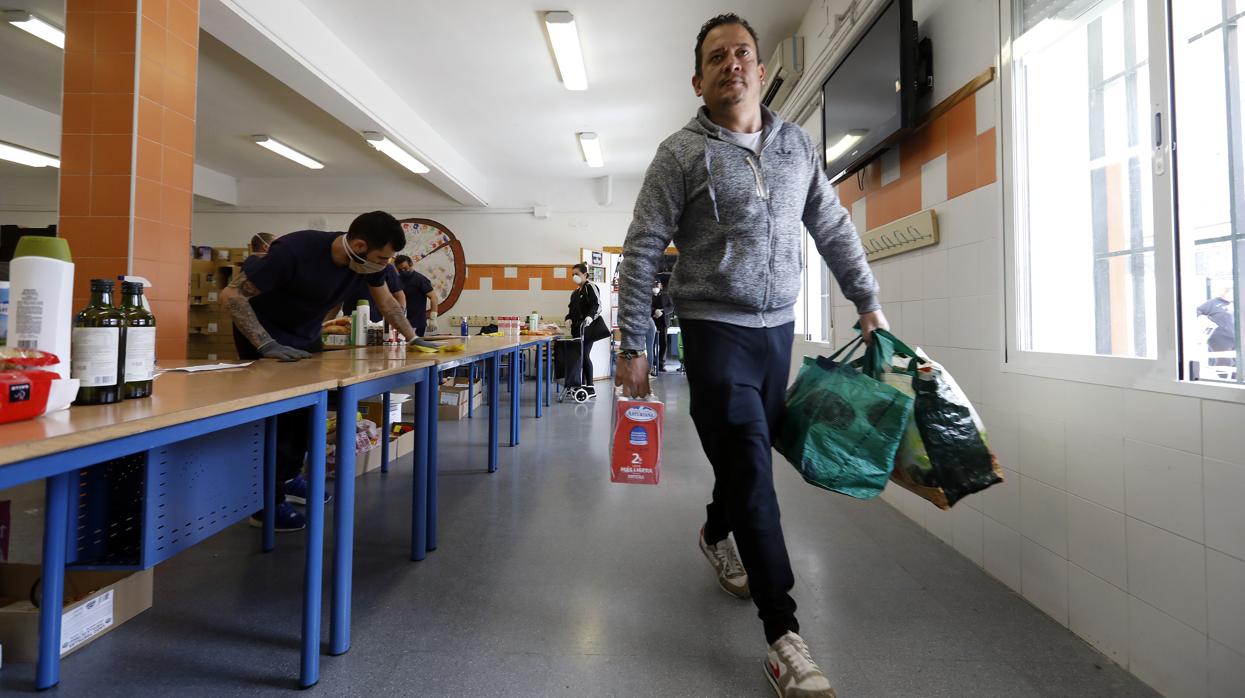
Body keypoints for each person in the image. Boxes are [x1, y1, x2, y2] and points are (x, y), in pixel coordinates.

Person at [615, 14, 887, 697]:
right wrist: (632, 344)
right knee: (751, 467)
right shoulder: (680, 154)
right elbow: (643, 248)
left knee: (747, 457)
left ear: (761, 71)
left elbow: (829, 223)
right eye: (716, 57)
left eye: (741, 53)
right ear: (698, 80)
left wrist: (866, 300)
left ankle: (715, 532)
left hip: (777, 332)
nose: (730, 64)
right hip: (713, 330)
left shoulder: (796, 145)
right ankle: (783, 635)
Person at [220, 211, 422, 532]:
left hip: (305, 338)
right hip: (264, 338)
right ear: (359, 246)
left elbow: (387, 302)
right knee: (279, 422)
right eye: (382, 258)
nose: (385, 265)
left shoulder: (366, 264)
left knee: (307, 415)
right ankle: (264, 505)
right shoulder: (294, 251)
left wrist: (413, 338)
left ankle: (288, 479)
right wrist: (266, 344)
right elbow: (231, 295)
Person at [565, 262, 602, 399]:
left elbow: (597, 305)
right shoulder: (575, 293)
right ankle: (579, 384)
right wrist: (568, 319)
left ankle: (590, 387)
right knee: (578, 356)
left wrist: (590, 317)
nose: (574, 277)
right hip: (577, 329)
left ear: (585, 275)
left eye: (577, 274)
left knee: (585, 355)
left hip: (588, 328)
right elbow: (571, 310)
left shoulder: (590, 287)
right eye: (572, 274)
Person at [339, 261, 407, 324]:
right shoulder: (348, 266)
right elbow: (338, 297)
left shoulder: (386, 268)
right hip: (349, 320)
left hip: (377, 323)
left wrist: (399, 318)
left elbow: (399, 295)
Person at [394, 255, 442, 335]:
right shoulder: (397, 280)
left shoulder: (420, 279)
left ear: (411, 265)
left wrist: (433, 318)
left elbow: (433, 297)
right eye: (400, 270)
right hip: (401, 322)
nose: (403, 271)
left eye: (405, 268)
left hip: (417, 323)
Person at [650, 278, 674, 373]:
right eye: (654, 285)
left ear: (661, 286)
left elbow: (671, 306)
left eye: (657, 285)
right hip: (651, 322)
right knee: (651, 344)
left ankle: (661, 364)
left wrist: (663, 311)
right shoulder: (648, 296)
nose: (655, 286)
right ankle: (652, 363)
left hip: (663, 323)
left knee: (663, 344)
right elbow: (646, 306)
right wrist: (654, 311)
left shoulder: (666, 295)